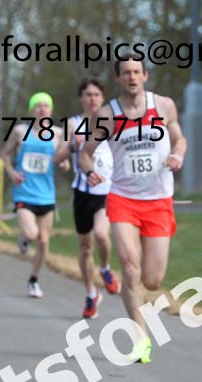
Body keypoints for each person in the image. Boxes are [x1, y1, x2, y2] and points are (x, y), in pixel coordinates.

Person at [80, 58, 187, 363]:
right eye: (126, 72)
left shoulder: (163, 106)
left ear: (145, 76)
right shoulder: (106, 115)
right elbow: (85, 154)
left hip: (158, 201)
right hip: (123, 199)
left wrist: (178, 154)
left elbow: (180, 139)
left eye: (136, 72)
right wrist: (90, 171)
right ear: (117, 78)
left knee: (152, 280)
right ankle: (141, 338)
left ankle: (142, 306)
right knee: (129, 267)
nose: (132, 77)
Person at [0, 92, 70, 298]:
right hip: (24, 192)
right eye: (38, 106)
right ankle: (24, 239)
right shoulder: (20, 131)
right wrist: (12, 173)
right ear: (32, 110)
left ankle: (34, 280)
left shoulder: (58, 134)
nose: (42, 109)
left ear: (51, 110)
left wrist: (65, 164)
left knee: (43, 241)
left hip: (46, 195)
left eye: (45, 105)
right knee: (32, 234)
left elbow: (63, 159)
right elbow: (4, 154)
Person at [68, 77, 119, 318]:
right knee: (85, 248)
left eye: (96, 95)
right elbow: (64, 150)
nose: (92, 99)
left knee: (101, 234)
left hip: (106, 191)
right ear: (81, 98)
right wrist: (71, 147)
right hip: (82, 192)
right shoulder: (73, 123)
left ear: (103, 98)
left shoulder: (111, 121)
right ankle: (91, 295)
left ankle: (106, 268)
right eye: (88, 95)